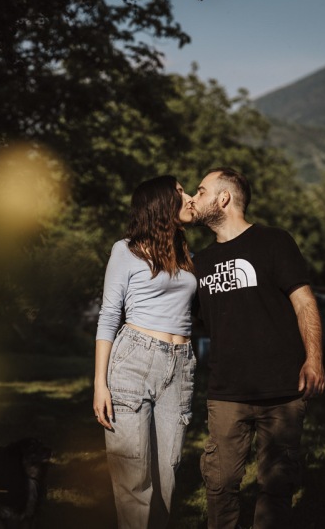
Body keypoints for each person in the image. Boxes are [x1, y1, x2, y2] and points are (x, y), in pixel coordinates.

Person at [189, 167, 325, 529]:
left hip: (282, 388)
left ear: (224, 198)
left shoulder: (274, 241)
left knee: (277, 484)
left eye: (200, 191)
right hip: (226, 392)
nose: (192, 198)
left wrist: (314, 359)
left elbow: (304, 302)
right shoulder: (198, 263)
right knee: (219, 483)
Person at [93, 175, 198, 528]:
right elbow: (109, 315)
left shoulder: (186, 254)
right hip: (133, 361)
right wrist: (99, 384)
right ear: (160, 203)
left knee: (168, 471)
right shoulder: (125, 250)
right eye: (180, 191)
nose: (187, 196)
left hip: (180, 365)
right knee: (133, 476)